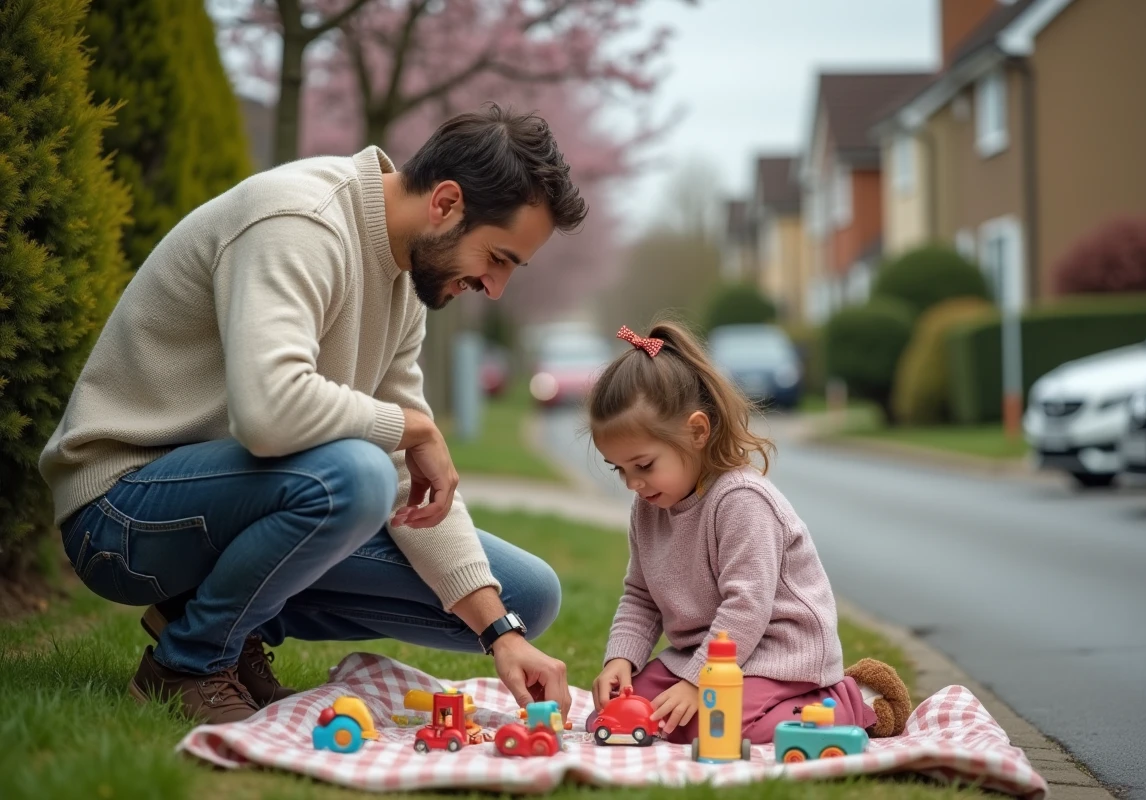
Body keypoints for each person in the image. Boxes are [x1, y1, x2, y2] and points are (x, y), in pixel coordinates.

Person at [38, 103, 585, 725]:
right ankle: (187, 662)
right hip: (122, 513)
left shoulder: (404, 280)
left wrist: (500, 633)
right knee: (356, 477)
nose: (496, 287)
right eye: (498, 258)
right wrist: (413, 427)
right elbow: (269, 412)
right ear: (446, 203)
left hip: (232, 504)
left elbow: (411, 477)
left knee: (525, 595)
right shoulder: (300, 221)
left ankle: (222, 621)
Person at [585, 321, 912, 743]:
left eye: (643, 465)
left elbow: (746, 608)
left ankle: (848, 701)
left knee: (710, 727)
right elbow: (640, 596)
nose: (632, 483)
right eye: (619, 469)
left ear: (697, 432)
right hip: (706, 654)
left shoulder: (741, 501)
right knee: (626, 717)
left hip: (778, 653)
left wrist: (699, 683)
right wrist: (622, 660)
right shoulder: (648, 508)